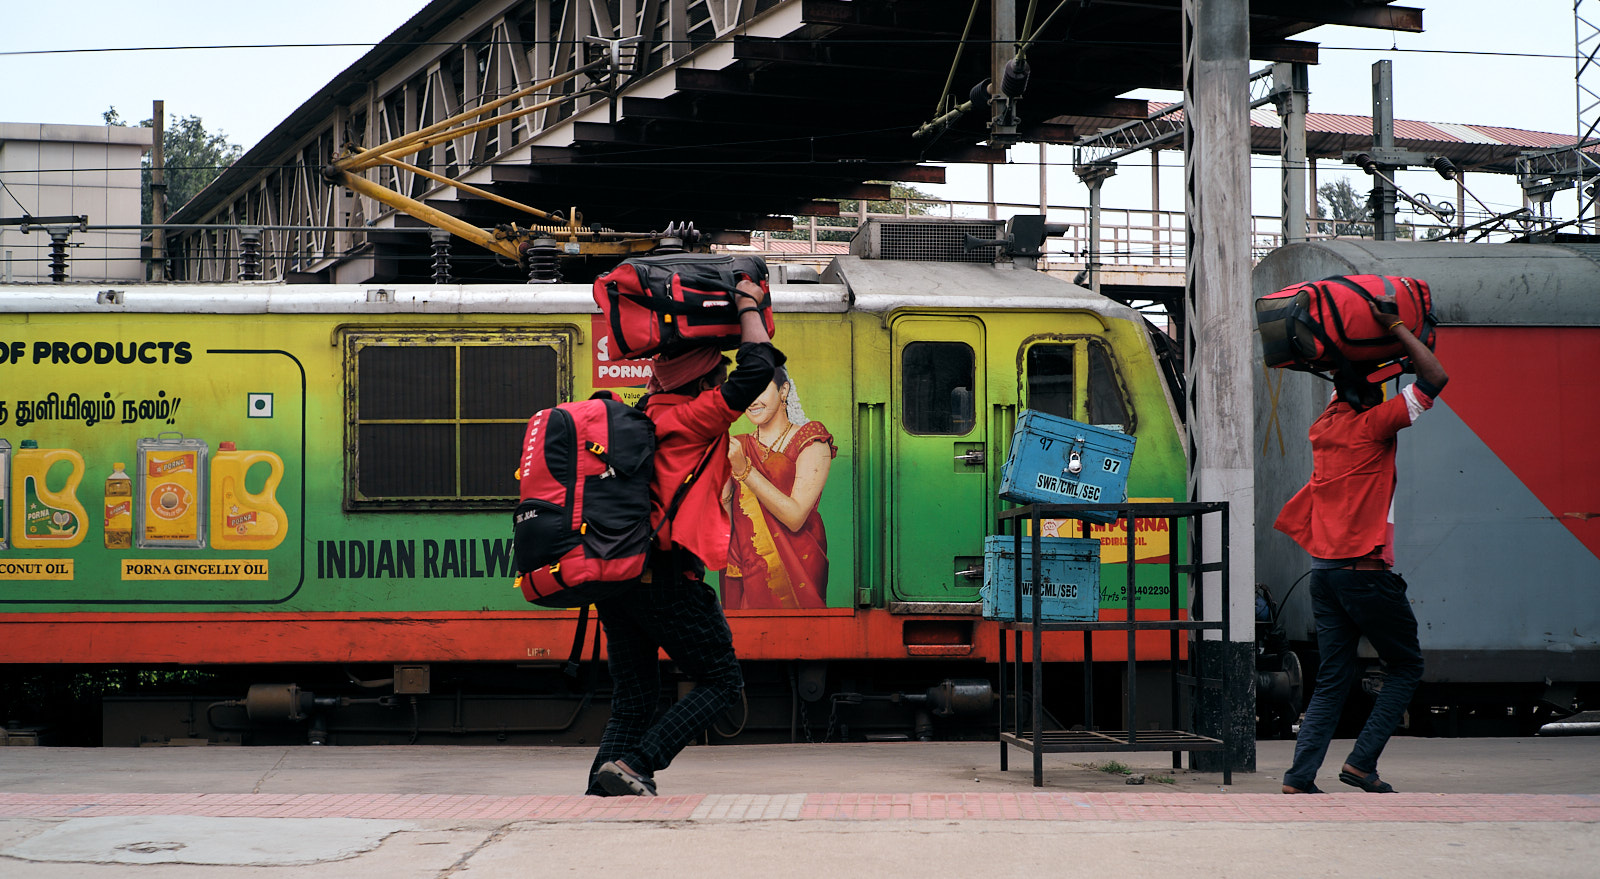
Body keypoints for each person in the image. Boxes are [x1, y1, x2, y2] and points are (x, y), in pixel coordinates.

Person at [587, 277, 781, 798]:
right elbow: (758, 369)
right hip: (668, 577)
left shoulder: (648, 412)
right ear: (701, 382)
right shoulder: (695, 417)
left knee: (633, 700)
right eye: (716, 375)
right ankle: (638, 764)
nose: (723, 382)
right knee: (722, 682)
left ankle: (602, 794)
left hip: (621, 577)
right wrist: (747, 305)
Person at [1274, 295, 1448, 795]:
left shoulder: (1324, 428)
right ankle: (1360, 763)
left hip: (1323, 573)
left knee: (1333, 675)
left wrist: (1356, 359)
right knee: (1406, 666)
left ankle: (1299, 776)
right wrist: (1395, 326)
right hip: (1366, 573)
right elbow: (1435, 378)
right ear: (1375, 399)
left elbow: (1346, 382)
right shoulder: (1376, 425)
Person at [722, 368, 836, 610]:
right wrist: (722, 481)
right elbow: (726, 528)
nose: (751, 400)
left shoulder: (811, 440)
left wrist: (744, 470)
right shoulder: (737, 445)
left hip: (798, 566)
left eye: (759, 389)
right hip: (749, 567)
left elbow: (795, 518)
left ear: (783, 390)